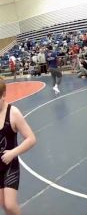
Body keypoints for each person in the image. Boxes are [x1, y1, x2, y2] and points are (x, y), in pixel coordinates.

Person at [0, 77, 36, 215]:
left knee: (9, 205)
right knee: (3, 204)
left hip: (10, 163)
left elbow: (31, 139)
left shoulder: (13, 113)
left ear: (3, 95)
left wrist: (12, 153)